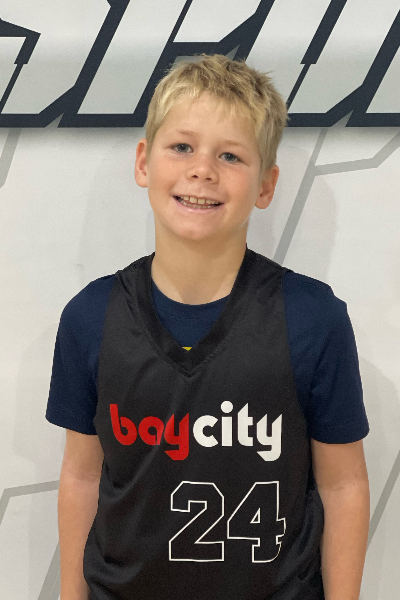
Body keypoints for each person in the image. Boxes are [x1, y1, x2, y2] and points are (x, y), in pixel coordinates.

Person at [46, 53, 370, 600]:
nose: (202, 170)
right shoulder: (90, 317)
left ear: (265, 185)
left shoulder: (314, 318)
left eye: (230, 155)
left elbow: (343, 485)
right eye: (182, 147)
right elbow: (81, 476)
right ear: (144, 162)